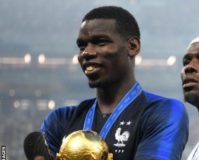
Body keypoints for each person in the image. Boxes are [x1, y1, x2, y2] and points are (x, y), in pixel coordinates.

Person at [38, 6, 189, 160]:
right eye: (82, 46)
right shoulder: (59, 120)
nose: (87, 52)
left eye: (100, 42)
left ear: (132, 47)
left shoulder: (162, 112)